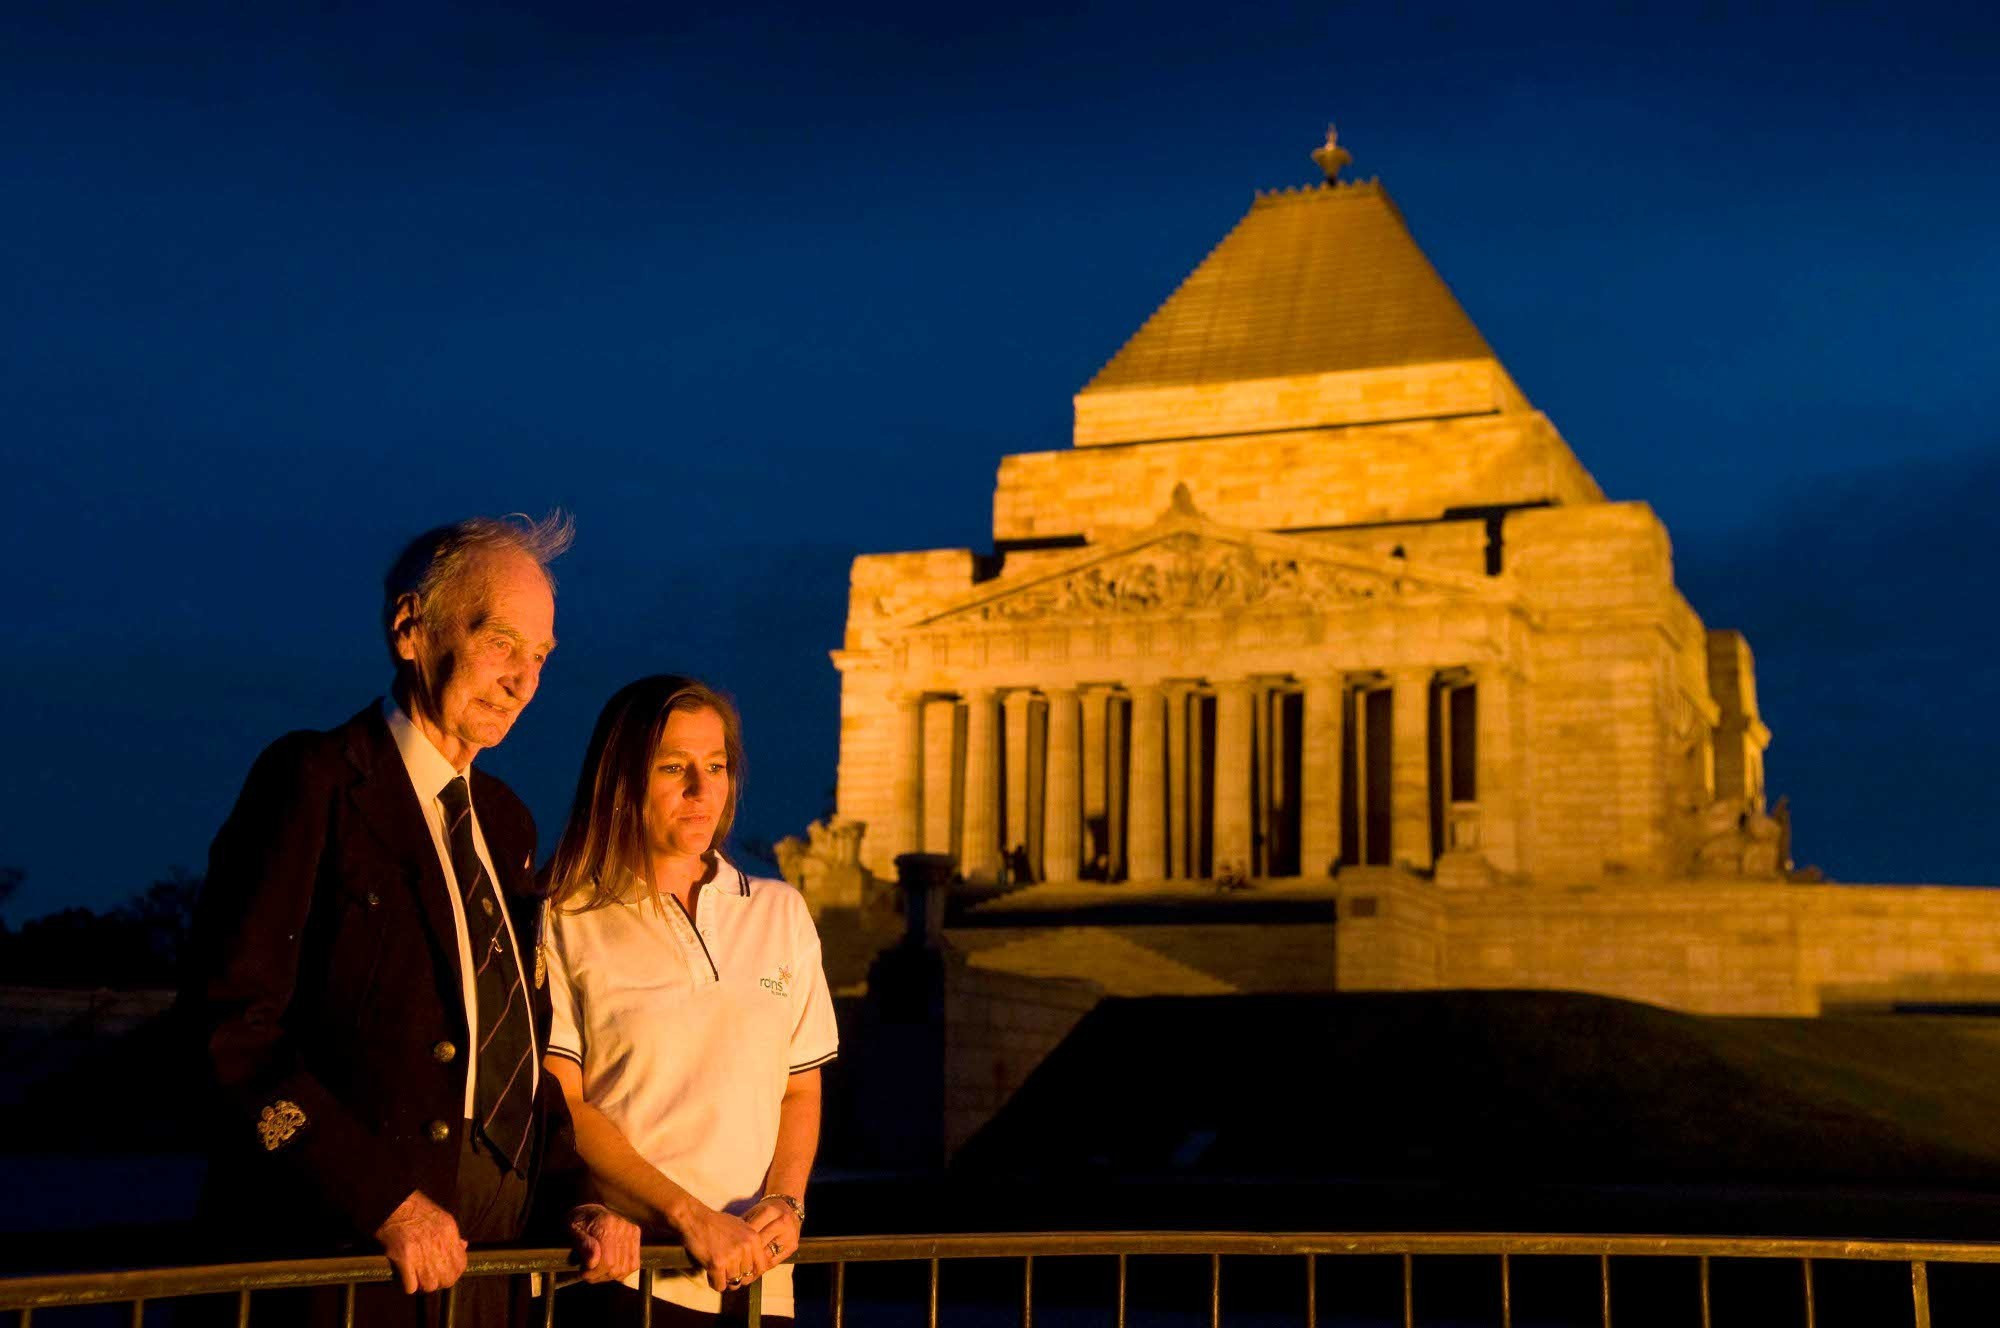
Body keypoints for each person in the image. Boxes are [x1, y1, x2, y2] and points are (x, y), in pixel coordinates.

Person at [186, 514, 641, 1326]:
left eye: (540, 656)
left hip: (495, 1260)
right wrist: (383, 1201)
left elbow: (516, 1047)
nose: (523, 682)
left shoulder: (506, 821)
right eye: (501, 643)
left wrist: (578, 1197)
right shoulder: (314, 780)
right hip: (348, 1261)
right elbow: (232, 1029)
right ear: (410, 630)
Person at [541, 675, 838, 1326]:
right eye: (675, 767)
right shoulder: (566, 913)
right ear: (622, 780)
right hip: (626, 1278)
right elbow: (564, 1101)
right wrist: (689, 1218)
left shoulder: (780, 912)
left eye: (716, 766)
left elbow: (799, 1088)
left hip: (758, 1286)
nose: (702, 789)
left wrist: (787, 1203)